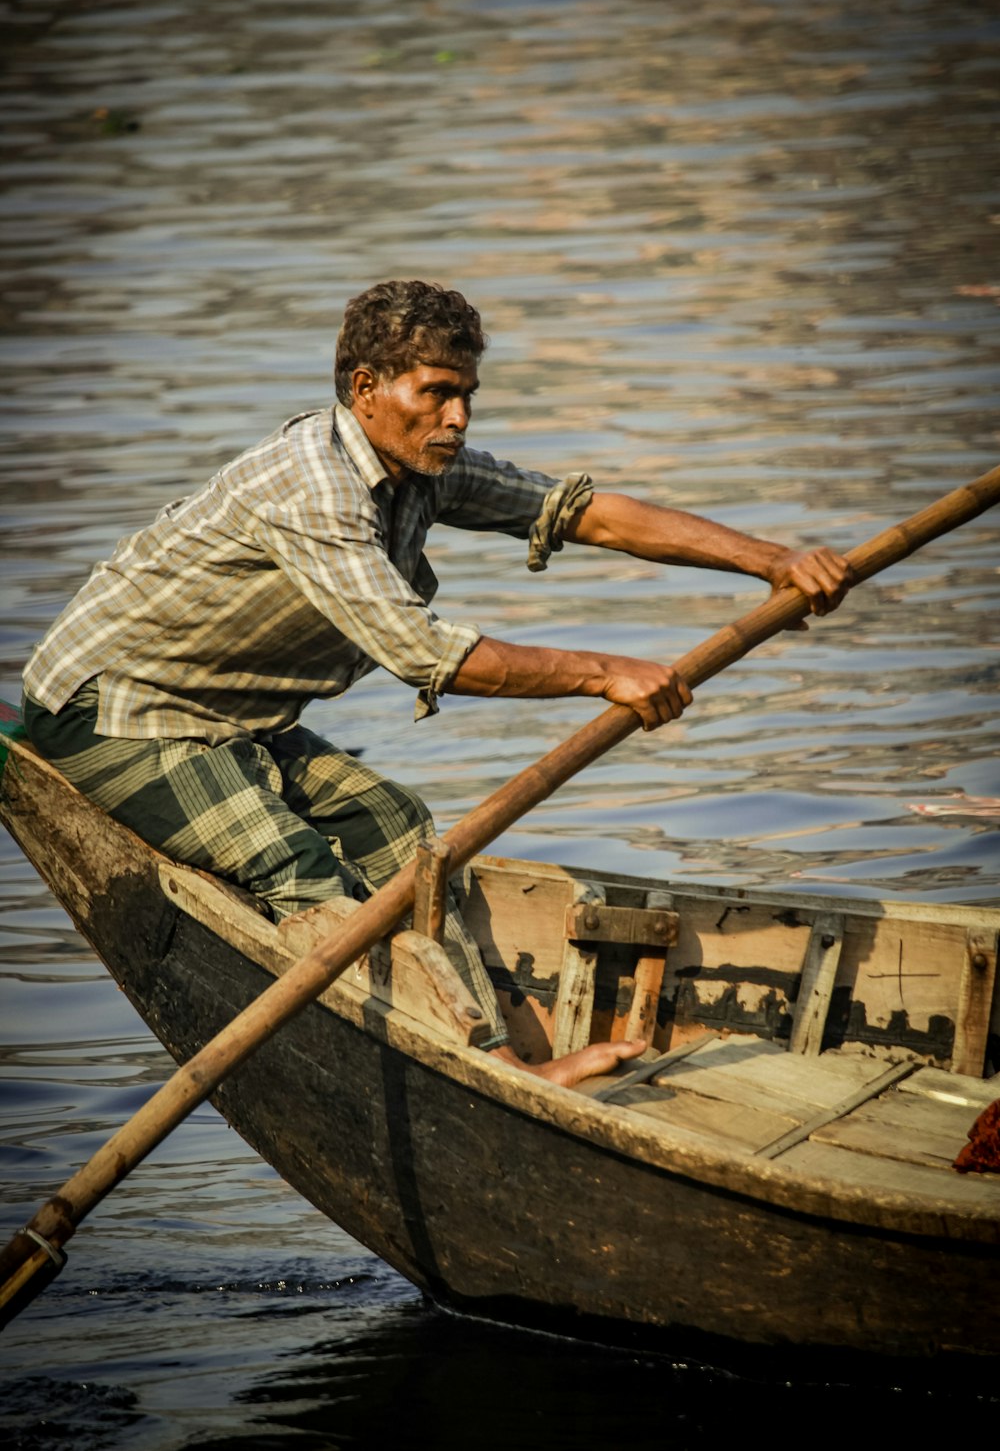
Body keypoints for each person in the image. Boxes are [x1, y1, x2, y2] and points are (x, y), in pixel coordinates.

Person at [21, 280, 852, 1086]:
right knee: (299, 870)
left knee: (399, 828)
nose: (456, 418)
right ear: (366, 388)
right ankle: (496, 1069)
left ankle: (483, 1041)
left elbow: (582, 512)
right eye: (438, 393)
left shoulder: (425, 462)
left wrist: (771, 560)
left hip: (233, 713)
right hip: (118, 709)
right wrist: (606, 672)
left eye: (468, 396)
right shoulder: (311, 487)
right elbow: (426, 654)